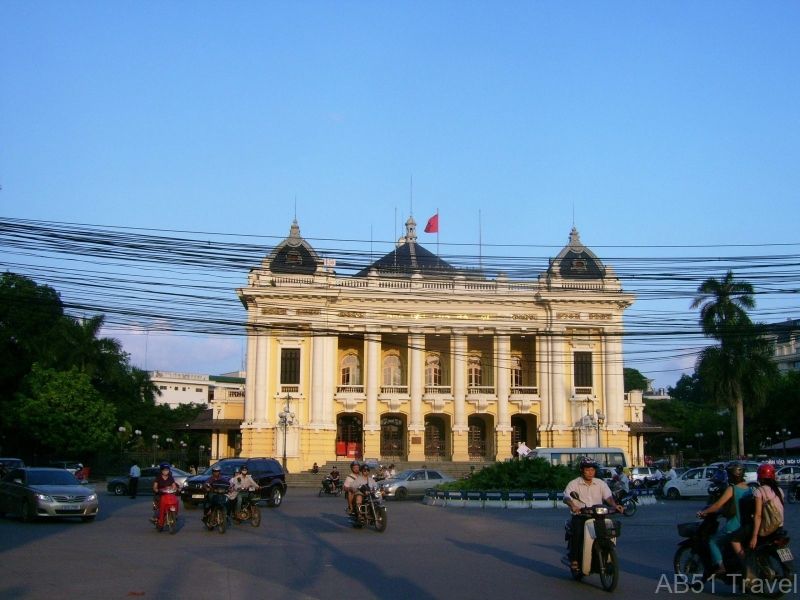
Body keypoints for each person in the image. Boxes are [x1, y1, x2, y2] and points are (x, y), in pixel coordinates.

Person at [563, 457, 623, 570]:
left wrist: (615, 505)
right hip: (581, 516)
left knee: (608, 532)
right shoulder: (574, 483)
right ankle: (575, 559)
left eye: (592, 470)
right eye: (587, 470)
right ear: (582, 470)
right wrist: (573, 506)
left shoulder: (600, 484)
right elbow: (566, 497)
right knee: (578, 533)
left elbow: (608, 497)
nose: (590, 472)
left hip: (598, 516)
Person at [697, 462, 753, 577]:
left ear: (731, 476)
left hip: (733, 525)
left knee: (713, 541)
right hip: (745, 526)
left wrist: (703, 512)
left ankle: (721, 567)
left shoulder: (732, 489)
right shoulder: (748, 489)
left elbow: (717, 505)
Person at [748, 464, 784, 551]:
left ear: (760, 477)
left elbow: (758, 515)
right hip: (779, 526)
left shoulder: (759, 491)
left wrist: (754, 536)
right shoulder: (779, 490)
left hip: (768, 527)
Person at [152, 462, 178, 528]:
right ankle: (157, 517)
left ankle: (174, 515)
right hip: (160, 495)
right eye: (164, 470)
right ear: (161, 470)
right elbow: (155, 486)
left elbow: (174, 486)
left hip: (169, 494)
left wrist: (176, 489)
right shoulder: (158, 478)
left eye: (167, 470)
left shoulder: (171, 478)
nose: (165, 471)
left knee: (175, 501)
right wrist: (156, 489)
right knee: (160, 504)